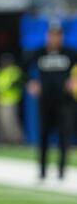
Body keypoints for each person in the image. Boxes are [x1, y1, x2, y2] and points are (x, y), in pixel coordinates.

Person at [25, 24, 76, 180]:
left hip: (64, 102)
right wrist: (31, 82)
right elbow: (22, 67)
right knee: (43, 135)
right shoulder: (39, 53)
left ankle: (61, 171)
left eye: (57, 35)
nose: (54, 38)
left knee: (64, 136)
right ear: (48, 36)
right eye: (52, 35)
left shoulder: (70, 53)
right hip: (45, 101)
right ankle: (42, 171)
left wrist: (73, 81)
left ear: (61, 37)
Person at [0, 53, 24, 144]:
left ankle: (16, 141)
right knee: (0, 123)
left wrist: (0, 90)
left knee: (10, 122)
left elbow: (14, 84)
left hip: (10, 101)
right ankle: (3, 142)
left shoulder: (14, 71)